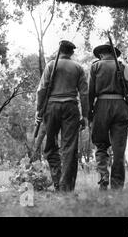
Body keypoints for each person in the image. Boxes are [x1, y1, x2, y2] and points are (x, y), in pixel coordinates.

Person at [35, 40, 89, 192]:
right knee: (69, 148)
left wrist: (39, 111)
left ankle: (57, 181)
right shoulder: (78, 67)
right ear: (71, 52)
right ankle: (66, 187)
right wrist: (85, 116)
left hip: (51, 108)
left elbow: (41, 90)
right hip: (71, 108)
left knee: (50, 147)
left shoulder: (51, 65)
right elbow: (84, 93)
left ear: (59, 51)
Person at [88, 41, 128, 191]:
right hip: (121, 108)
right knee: (119, 150)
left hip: (101, 107)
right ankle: (117, 187)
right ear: (113, 53)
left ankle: (103, 178)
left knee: (101, 145)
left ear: (103, 54)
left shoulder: (95, 67)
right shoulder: (125, 67)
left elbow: (90, 93)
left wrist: (89, 113)